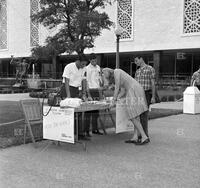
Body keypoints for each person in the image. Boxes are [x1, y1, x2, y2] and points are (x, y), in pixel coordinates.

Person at [102, 68, 149, 145]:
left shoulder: (116, 71)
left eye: (104, 74)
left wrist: (113, 101)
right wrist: (115, 99)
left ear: (107, 71)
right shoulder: (120, 75)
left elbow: (117, 88)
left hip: (133, 90)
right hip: (135, 89)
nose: (104, 75)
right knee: (135, 115)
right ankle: (135, 137)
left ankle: (144, 137)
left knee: (132, 115)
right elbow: (123, 91)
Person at [61, 56, 91, 140]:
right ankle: (68, 134)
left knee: (79, 111)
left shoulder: (84, 68)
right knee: (69, 112)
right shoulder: (69, 67)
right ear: (78, 61)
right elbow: (66, 81)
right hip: (67, 89)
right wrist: (68, 96)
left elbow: (84, 81)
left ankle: (79, 134)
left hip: (76, 89)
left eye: (85, 64)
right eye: (82, 64)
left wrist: (84, 93)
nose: (84, 65)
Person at [133, 56, 156, 142]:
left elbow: (153, 83)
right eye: (134, 61)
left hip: (146, 94)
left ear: (141, 58)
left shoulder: (150, 69)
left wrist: (153, 97)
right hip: (138, 95)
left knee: (144, 115)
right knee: (138, 115)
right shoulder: (137, 71)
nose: (135, 62)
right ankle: (140, 136)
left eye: (136, 60)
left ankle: (145, 137)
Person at [85, 53, 103, 136]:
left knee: (96, 112)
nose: (94, 62)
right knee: (89, 111)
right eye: (93, 60)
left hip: (97, 90)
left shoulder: (98, 67)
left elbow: (99, 79)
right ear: (90, 60)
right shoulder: (87, 68)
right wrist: (88, 95)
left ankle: (95, 129)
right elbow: (87, 82)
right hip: (90, 90)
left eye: (95, 60)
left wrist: (101, 92)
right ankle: (86, 131)